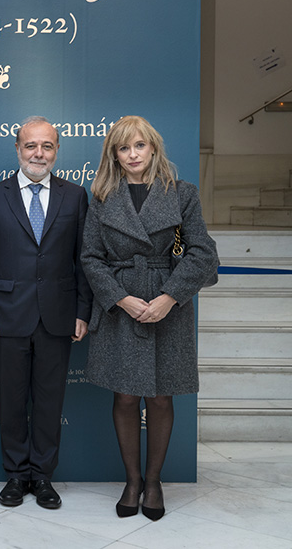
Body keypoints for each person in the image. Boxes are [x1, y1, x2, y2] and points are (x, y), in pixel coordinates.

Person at [81, 115, 218, 521]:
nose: (132, 154)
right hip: (121, 306)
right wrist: (121, 299)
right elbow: (91, 257)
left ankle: (154, 482)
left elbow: (203, 253)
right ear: (114, 155)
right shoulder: (102, 197)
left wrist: (169, 298)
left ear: (153, 148)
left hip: (168, 306)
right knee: (125, 395)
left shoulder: (182, 193)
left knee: (160, 396)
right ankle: (132, 480)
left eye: (139, 145)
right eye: (124, 148)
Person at [0, 116, 92, 510]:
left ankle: (42, 477)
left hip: (58, 315)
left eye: (47, 146)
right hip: (6, 316)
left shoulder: (75, 196)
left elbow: (84, 260)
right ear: (18, 149)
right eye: (31, 146)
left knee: (50, 402)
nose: (38, 153)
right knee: (11, 400)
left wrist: (83, 310)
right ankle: (16, 475)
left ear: (56, 151)